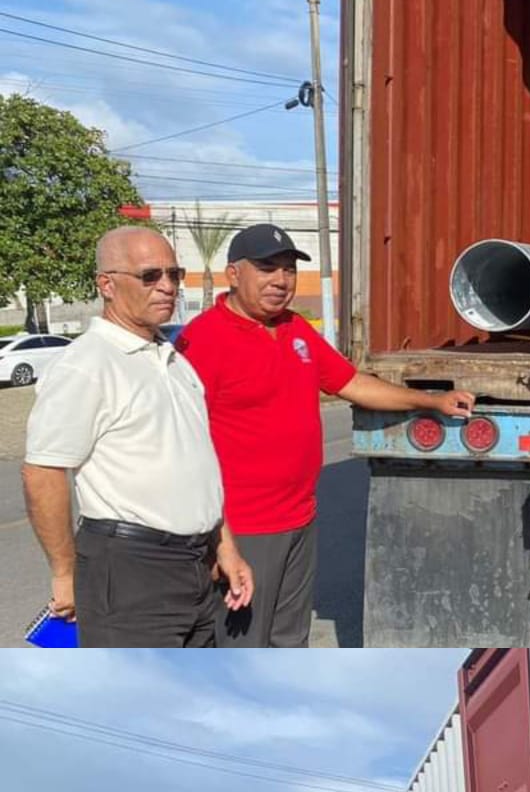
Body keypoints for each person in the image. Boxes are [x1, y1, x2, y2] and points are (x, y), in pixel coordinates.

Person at [178, 225, 475, 648]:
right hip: (244, 529)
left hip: (299, 519)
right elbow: (185, 448)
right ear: (233, 274)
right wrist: (218, 542)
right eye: (266, 269)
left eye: (288, 270)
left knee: (289, 641)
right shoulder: (204, 340)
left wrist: (428, 401)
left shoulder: (296, 329)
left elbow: (351, 382)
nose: (281, 281)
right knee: (239, 647)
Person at [22, 227, 253, 647]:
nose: (167, 287)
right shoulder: (86, 365)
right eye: (150, 276)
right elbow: (43, 472)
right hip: (130, 570)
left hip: (195, 565)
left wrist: (225, 547)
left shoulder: (174, 361)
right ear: (106, 285)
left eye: (174, 274)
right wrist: (64, 573)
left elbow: (198, 468)